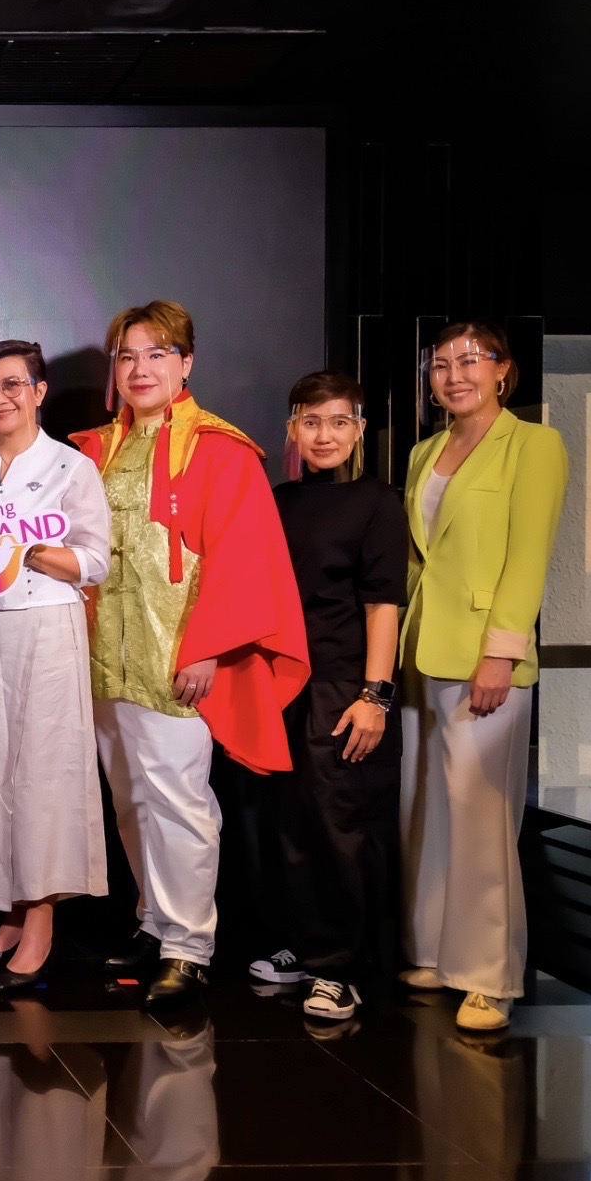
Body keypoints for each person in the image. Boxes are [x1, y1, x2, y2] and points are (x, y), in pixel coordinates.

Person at [71, 301, 308, 1011]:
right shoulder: (94, 449)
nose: (140, 368)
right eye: (127, 355)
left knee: (180, 802)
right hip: (101, 659)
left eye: (156, 353)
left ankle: (190, 947)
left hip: (176, 655)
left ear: (186, 362)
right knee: (128, 798)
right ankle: (153, 922)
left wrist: (207, 649)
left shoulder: (220, 449)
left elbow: (242, 560)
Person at [400, 321, 567, 1032]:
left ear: (504, 370)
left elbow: (528, 557)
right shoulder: (425, 451)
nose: (454, 375)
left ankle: (490, 977)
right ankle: (437, 952)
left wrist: (501, 651)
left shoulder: (534, 445)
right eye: (441, 364)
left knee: (482, 816)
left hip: (483, 657)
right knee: (428, 808)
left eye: (470, 361)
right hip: (421, 647)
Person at [0, 340, 111, 987]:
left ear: (38, 391)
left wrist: (25, 547)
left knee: (42, 772)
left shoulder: (70, 467)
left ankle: (41, 919)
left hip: (45, 628)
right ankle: (7, 907)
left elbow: (96, 560)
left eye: (13, 384)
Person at [247, 371, 408, 1023]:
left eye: (339, 422)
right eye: (311, 422)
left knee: (342, 827)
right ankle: (305, 946)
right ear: (292, 428)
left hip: (344, 684)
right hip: (281, 679)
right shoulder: (278, 500)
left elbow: (384, 605)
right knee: (289, 821)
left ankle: (342, 970)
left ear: (359, 430)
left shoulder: (378, 503)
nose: (324, 434)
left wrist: (376, 695)